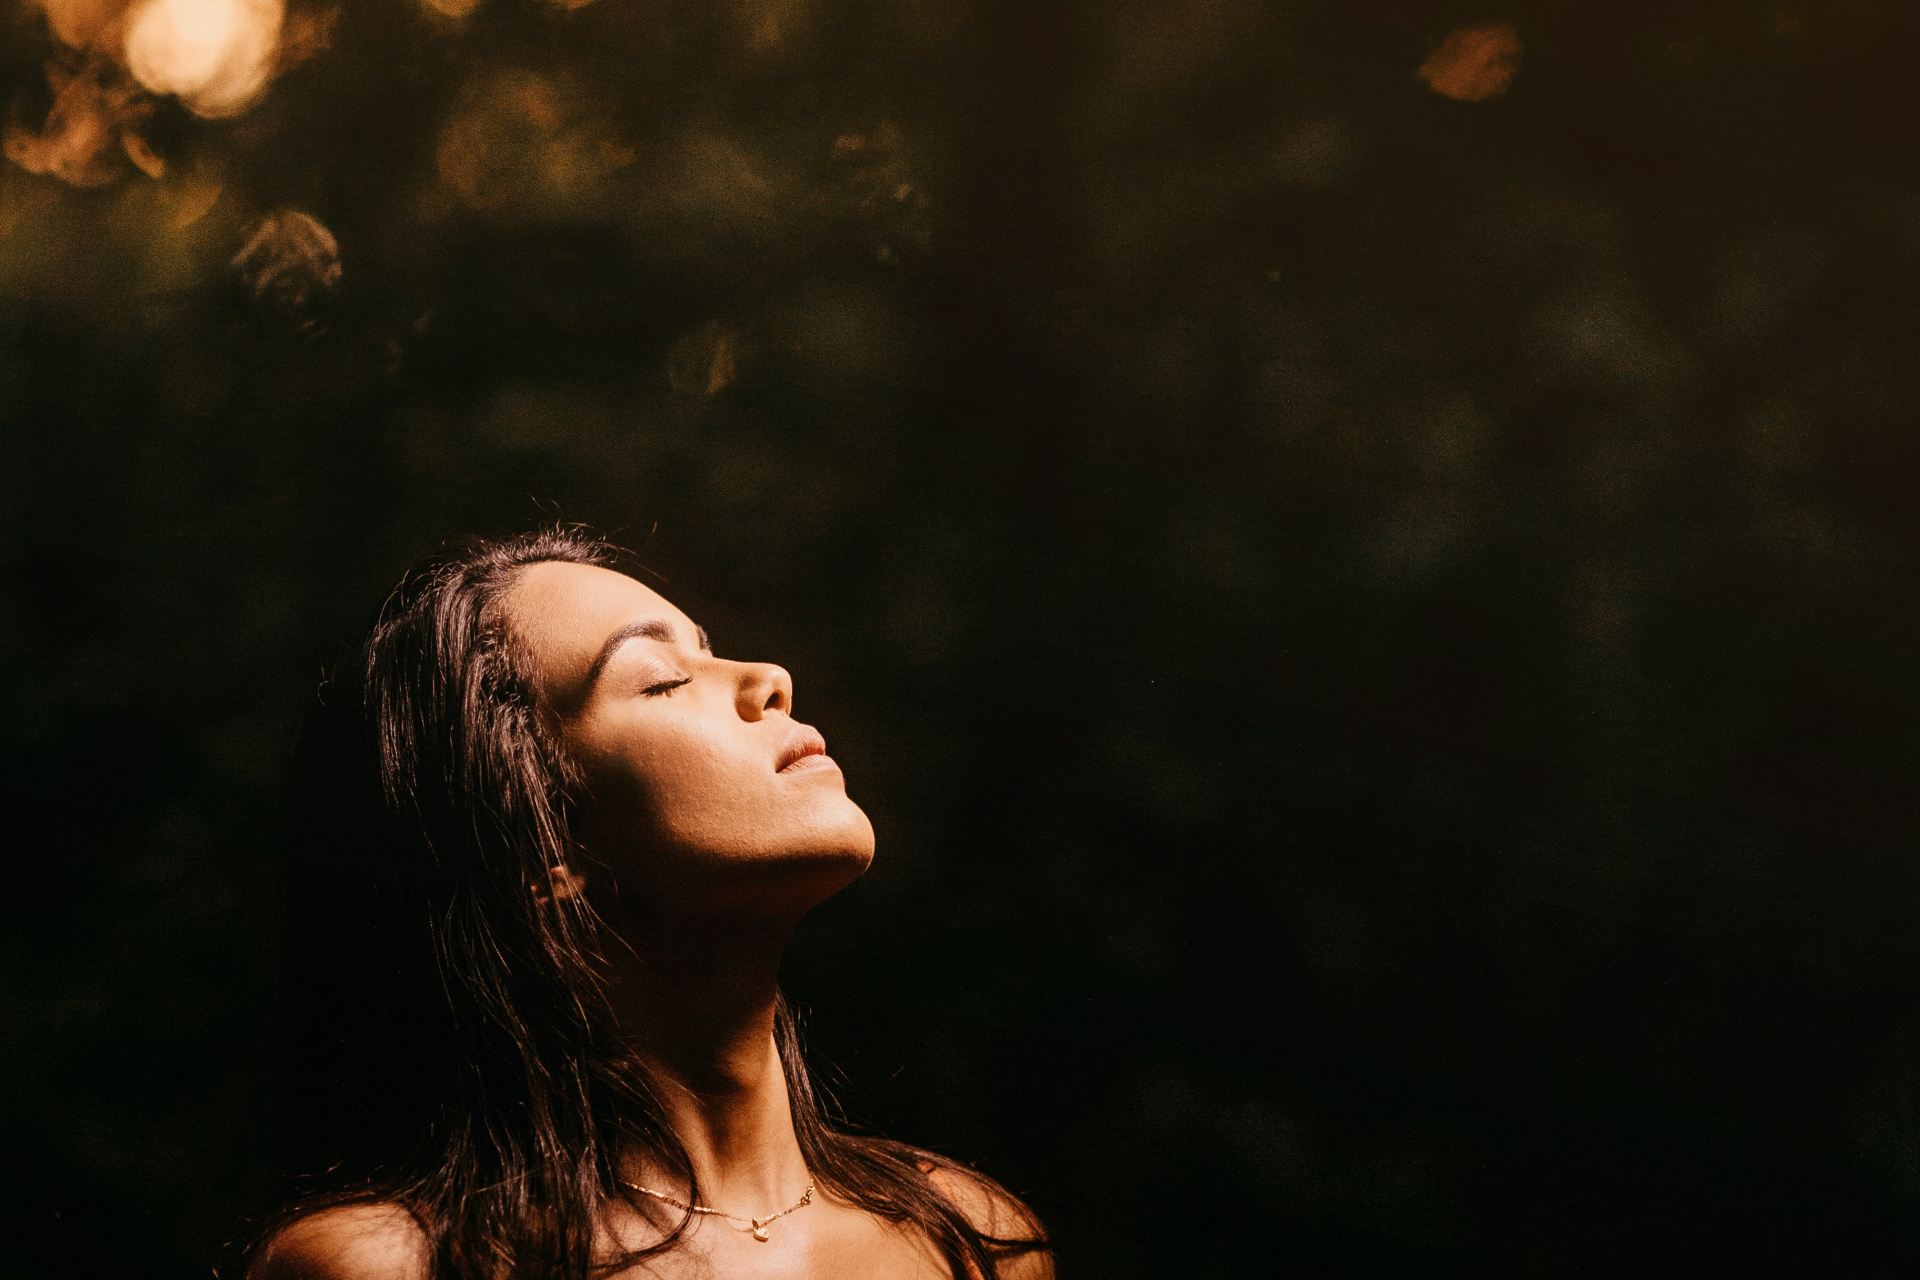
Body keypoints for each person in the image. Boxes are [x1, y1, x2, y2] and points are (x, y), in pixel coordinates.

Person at [244, 525, 1051, 1280]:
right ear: (544, 846)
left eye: (708, 650)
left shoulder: (968, 1239)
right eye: (663, 680)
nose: (769, 681)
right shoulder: (401, 1267)